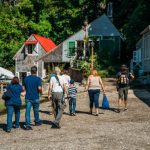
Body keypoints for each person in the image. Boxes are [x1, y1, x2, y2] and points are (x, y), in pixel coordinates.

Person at [23, 66, 42, 130]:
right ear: (36, 71)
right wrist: (40, 92)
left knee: (27, 111)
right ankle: (37, 122)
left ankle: (27, 125)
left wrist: (26, 90)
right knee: (36, 110)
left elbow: (23, 88)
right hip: (35, 97)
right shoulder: (38, 79)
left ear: (31, 71)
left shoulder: (26, 79)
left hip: (28, 97)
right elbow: (39, 88)